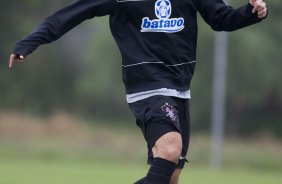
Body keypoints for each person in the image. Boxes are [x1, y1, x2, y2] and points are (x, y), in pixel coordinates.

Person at [9, 0, 267, 183]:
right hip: (146, 86)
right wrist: (28, 43)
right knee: (170, 148)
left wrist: (252, 12)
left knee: (170, 176)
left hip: (180, 89)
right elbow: (69, 15)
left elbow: (222, 18)